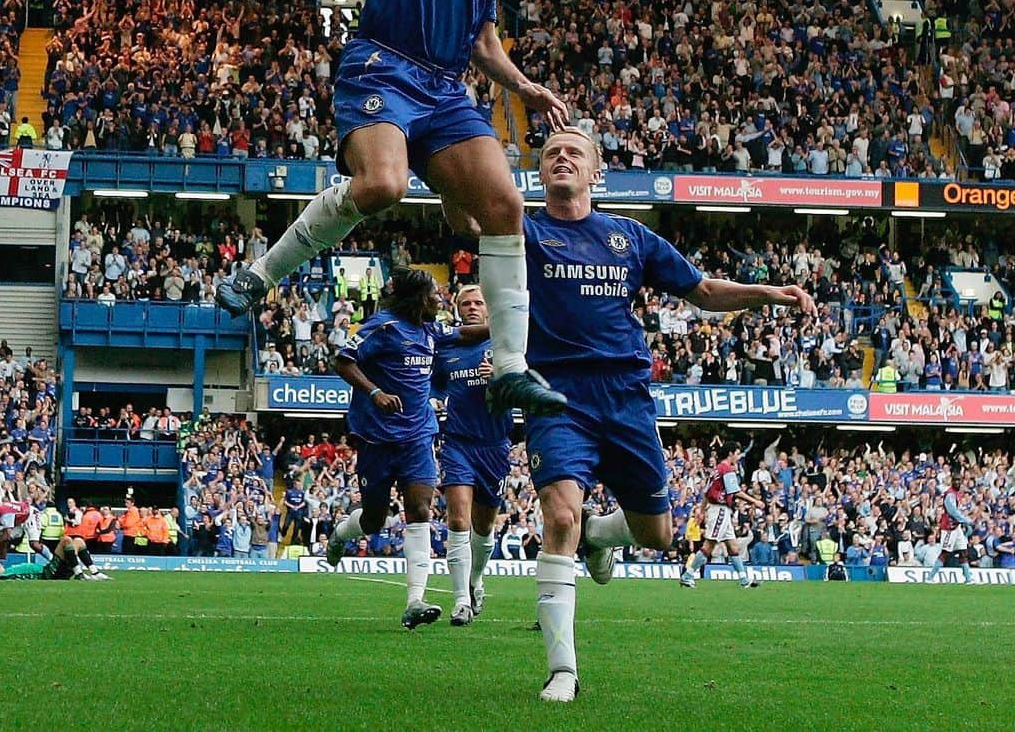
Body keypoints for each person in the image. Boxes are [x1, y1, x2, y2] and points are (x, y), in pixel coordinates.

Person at [216, 0, 568, 419]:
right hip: (383, 64)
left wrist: (525, 86)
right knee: (381, 186)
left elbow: (485, 43)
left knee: (505, 208)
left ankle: (512, 371)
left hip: (445, 89)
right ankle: (258, 275)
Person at [496, 127, 814, 703]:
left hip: (626, 397)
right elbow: (467, 211)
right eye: (551, 154)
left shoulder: (629, 237)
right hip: (557, 396)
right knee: (559, 517)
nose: (561, 158)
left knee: (658, 534)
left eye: (575, 153)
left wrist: (767, 293)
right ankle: (562, 669)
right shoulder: (522, 231)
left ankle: (600, 533)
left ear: (597, 174)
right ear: (539, 172)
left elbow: (704, 291)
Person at [325, 268, 487, 629]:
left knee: (420, 510)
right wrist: (374, 392)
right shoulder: (382, 328)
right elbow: (342, 359)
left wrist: (516, 324)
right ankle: (340, 534)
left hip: (418, 437)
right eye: (433, 295)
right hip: (377, 439)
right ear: (417, 298)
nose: (439, 300)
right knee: (374, 519)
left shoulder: (430, 331)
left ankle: (415, 599)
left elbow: (466, 332)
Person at [433, 283, 508, 626]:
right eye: (467, 303)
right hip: (457, 443)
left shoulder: (506, 344)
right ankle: (461, 600)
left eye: (479, 302)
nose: (473, 307)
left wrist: (502, 378)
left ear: (489, 308)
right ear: (457, 308)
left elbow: (529, 385)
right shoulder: (445, 347)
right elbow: (428, 388)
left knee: (484, 525)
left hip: (495, 444)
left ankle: (475, 579)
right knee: (458, 521)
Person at [679, 441, 765, 589]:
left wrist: (702, 509)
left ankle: (744, 580)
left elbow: (707, 491)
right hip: (720, 509)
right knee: (709, 545)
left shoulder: (717, 469)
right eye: (737, 453)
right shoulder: (726, 469)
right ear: (731, 453)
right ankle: (688, 575)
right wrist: (755, 501)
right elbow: (735, 491)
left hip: (720, 509)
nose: (738, 457)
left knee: (733, 547)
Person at [0, 533, 110, 581]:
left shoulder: (9, 570)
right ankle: (79, 574)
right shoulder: (7, 575)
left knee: (79, 542)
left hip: (52, 570)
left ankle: (94, 572)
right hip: (49, 573)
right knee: (66, 540)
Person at [926, 471, 975, 585]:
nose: (957, 482)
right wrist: (966, 520)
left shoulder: (957, 493)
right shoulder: (950, 495)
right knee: (945, 553)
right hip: (948, 528)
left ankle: (968, 578)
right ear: (952, 482)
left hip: (956, 527)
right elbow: (953, 511)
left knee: (963, 551)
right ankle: (930, 577)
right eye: (955, 480)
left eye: (959, 480)